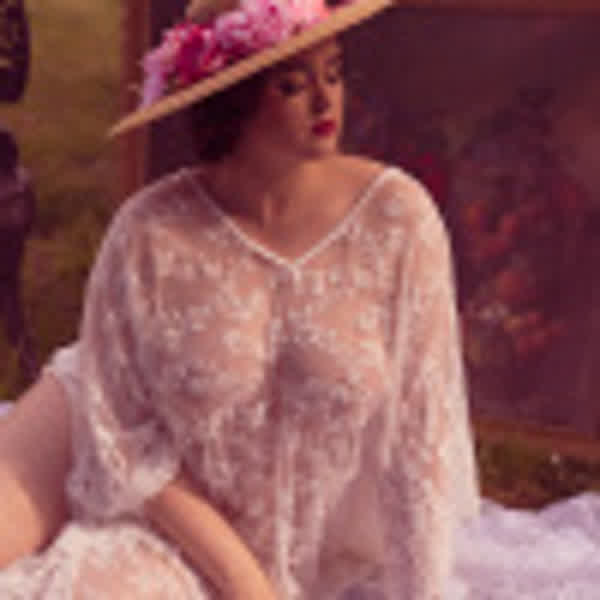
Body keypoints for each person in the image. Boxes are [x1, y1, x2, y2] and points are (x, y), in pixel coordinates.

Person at [0, 1, 480, 598]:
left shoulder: (397, 219)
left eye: (333, 72)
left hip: (323, 549)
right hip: (139, 466)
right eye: (292, 85)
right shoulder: (149, 232)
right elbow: (128, 441)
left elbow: (420, 446)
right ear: (233, 100)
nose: (326, 101)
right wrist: (248, 585)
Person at [0, 130, 37, 383]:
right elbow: (31, 216)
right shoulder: (23, 180)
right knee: (13, 307)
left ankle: (27, 365)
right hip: (13, 250)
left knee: (13, 309)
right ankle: (28, 366)